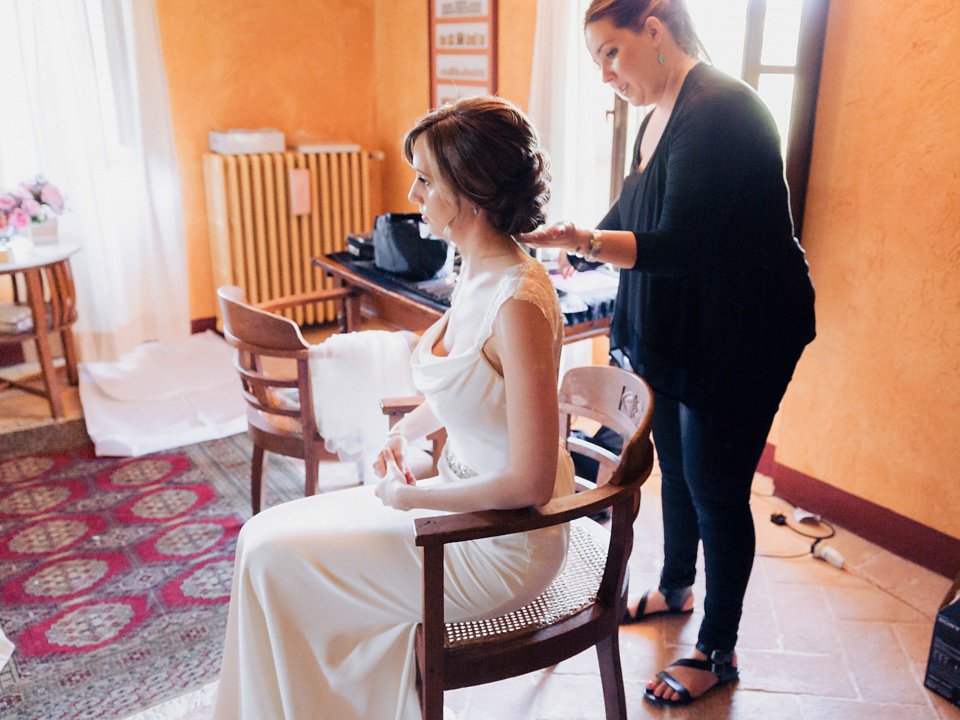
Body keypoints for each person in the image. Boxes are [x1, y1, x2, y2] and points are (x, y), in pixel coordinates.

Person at [212, 96, 575, 720]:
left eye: (427, 180)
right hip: (460, 508)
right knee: (258, 539)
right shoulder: (474, 270)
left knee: (277, 562)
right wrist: (408, 429)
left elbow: (532, 482)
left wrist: (416, 498)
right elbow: (474, 389)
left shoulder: (518, 302)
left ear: (473, 194)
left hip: (505, 541)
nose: (413, 193)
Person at [519, 0, 816, 708]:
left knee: (715, 487)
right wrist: (575, 238)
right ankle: (677, 586)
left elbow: (678, 242)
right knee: (676, 473)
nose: (604, 75)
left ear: (654, 29)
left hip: (742, 336)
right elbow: (635, 211)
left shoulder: (721, 111)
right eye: (595, 61)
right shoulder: (656, 112)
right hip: (681, 330)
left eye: (611, 54)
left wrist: (584, 245)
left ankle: (717, 648)